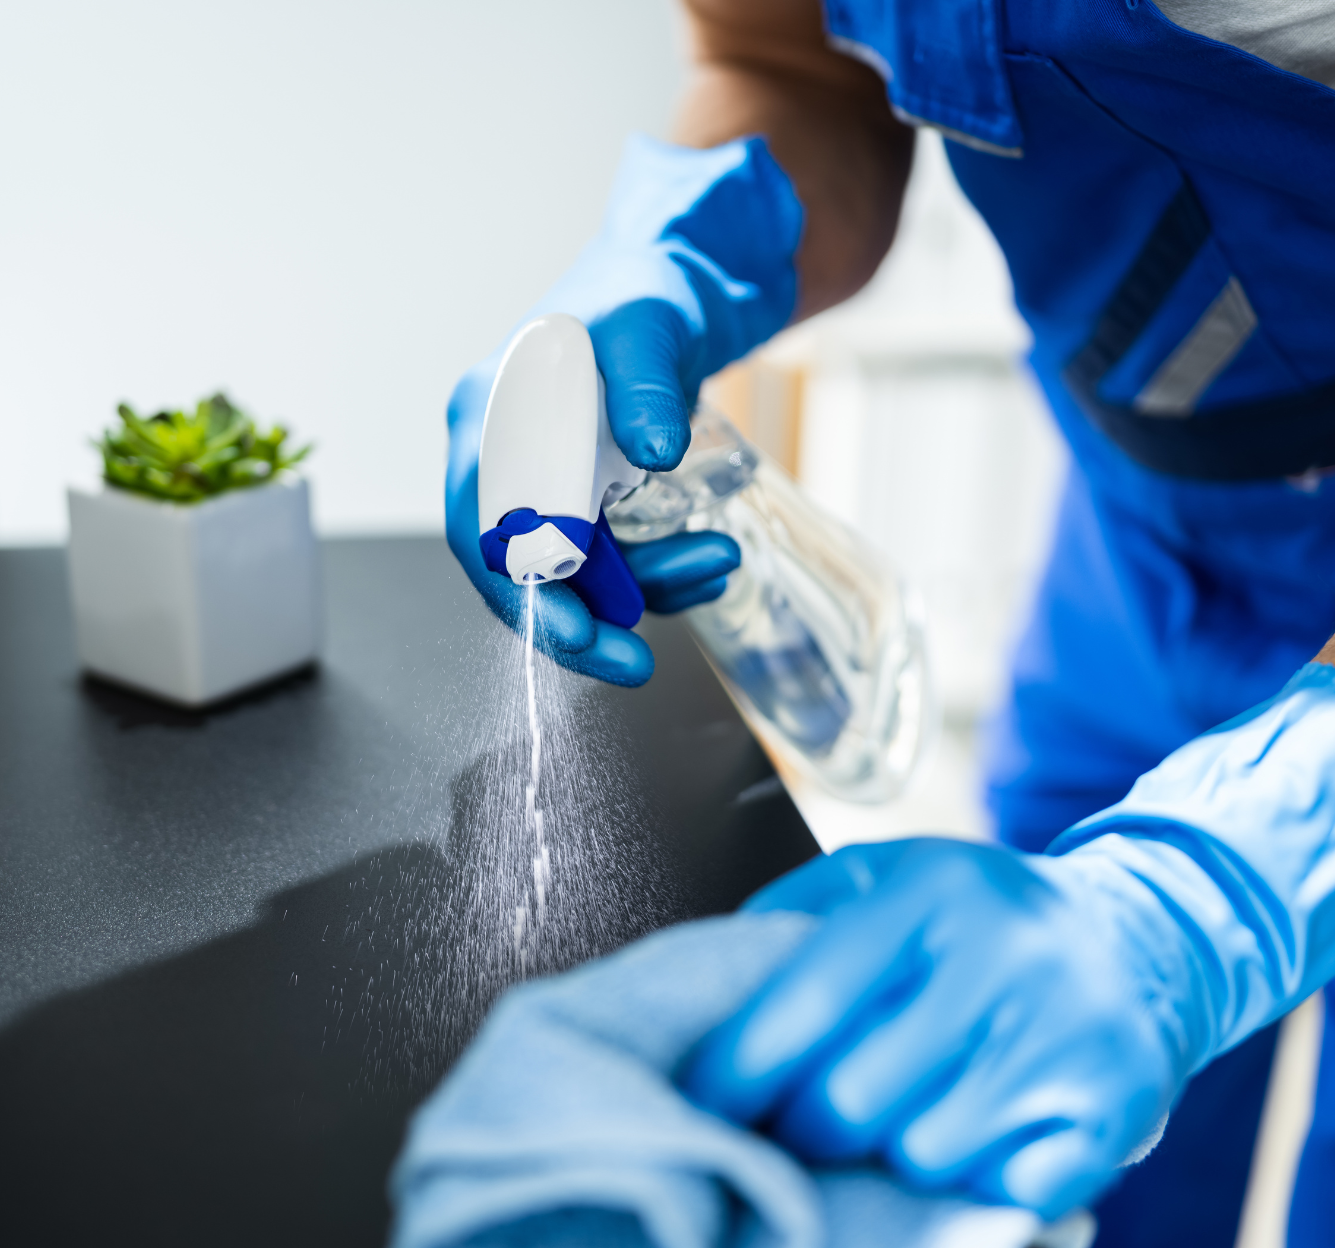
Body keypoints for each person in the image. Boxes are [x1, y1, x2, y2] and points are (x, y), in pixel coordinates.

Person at [444, 2, 1335, 1245]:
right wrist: (676, 260)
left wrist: (1205, 898)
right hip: (1140, 540)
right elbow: (782, 59)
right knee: (1050, 1138)